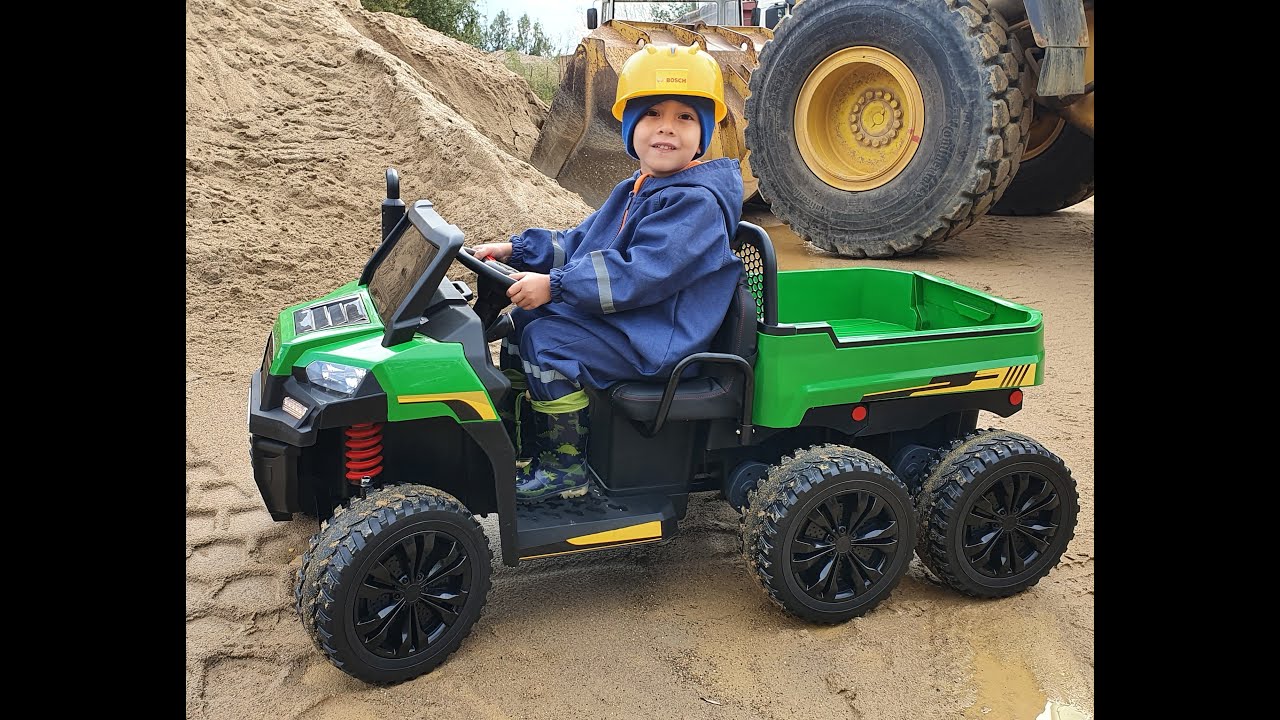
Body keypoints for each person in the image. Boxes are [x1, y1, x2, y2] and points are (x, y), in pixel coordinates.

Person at [472, 43, 744, 503]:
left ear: (703, 133)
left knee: (547, 341)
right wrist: (517, 250)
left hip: (660, 336)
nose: (666, 128)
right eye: (653, 113)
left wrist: (554, 286)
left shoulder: (694, 203)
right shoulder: (637, 187)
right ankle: (523, 447)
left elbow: (637, 274)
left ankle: (564, 472)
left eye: (684, 118)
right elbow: (581, 242)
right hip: (635, 319)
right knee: (523, 324)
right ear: (630, 127)